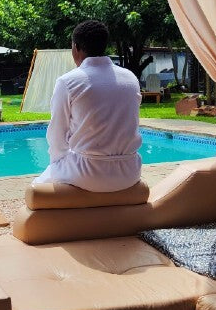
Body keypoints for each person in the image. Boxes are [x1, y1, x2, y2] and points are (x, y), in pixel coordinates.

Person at [34, 20, 142, 192]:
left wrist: (57, 164)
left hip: (87, 173)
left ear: (75, 48)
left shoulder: (68, 81)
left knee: (37, 187)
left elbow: (57, 135)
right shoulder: (130, 78)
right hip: (130, 172)